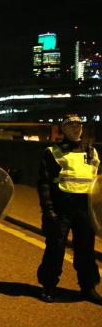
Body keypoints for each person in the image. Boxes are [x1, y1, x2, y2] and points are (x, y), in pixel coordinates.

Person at [37, 114, 102, 304]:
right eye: (70, 125)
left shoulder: (92, 152)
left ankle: (88, 287)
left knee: (86, 250)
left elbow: (97, 184)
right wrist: (48, 210)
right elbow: (44, 184)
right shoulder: (52, 152)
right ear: (62, 129)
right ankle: (48, 286)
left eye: (78, 125)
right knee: (55, 249)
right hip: (61, 207)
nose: (76, 128)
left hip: (85, 208)